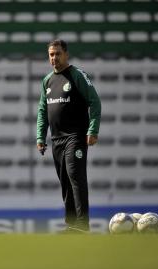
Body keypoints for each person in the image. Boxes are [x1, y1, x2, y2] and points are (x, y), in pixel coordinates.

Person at [36, 39, 101, 233]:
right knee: (65, 180)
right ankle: (72, 224)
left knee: (75, 176)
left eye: (57, 53)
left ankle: (82, 223)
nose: (54, 58)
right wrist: (41, 137)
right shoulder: (47, 80)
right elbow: (42, 110)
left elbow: (95, 102)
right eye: (51, 54)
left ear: (66, 54)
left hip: (76, 136)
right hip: (56, 139)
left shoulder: (77, 75)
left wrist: (93, 130)